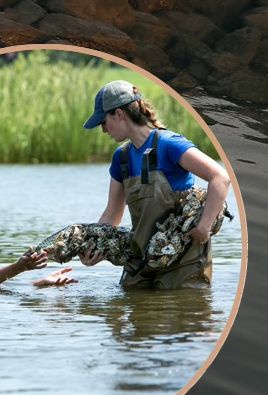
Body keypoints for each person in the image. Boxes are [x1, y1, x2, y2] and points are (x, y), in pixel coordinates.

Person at [25, 80, 232, 289]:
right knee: (134, 308)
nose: (103, 129)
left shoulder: (169, 144)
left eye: (103, 122)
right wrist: (95, 250)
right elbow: (111, 214)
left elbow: (220, 178)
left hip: (184, 259)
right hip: (140, 259)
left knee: (181, 310)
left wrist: (204, 227)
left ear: (119, 114)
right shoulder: (121, 157)